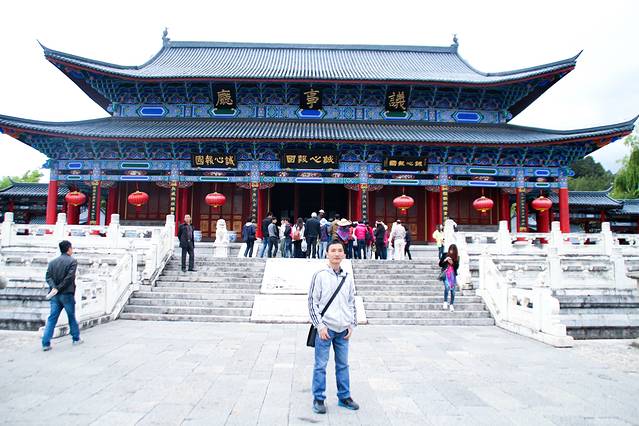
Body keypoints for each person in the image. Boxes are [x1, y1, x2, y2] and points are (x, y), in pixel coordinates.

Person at [308, 240, 359, 414]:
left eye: (339, 250)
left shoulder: (348, 277)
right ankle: (319, 398)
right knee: (321, 365)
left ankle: (344, 396)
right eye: (333, 250)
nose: (336, 254)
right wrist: (320, 326)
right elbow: (312, 302)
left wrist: (352, 324)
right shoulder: (320, 275)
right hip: (326, 328)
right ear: (327, 253)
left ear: (344, 254)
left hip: (343, 329)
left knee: (343, 365)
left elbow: (351, 301)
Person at [42, 240, 82, 351]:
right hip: (67, 294)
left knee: (52, 318)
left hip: (55, 295)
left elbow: (48, 277)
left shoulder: (52, 262)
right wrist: (59, 288)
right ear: (68, 249)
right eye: (71, 248)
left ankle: (45, 343)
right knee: (71, 317)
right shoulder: (72, 261)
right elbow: (69, 278)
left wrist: (54, 287)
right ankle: (76, 338)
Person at [439, 244, 459, 312]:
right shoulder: (445, 254)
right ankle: (445, 302)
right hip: (446, 274)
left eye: (453, 250)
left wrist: (452, 263)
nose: (451, 251)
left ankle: (451, 304)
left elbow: (456, 267)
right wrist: (445, 260)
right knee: (447, 287)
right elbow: (440, 264)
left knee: (453, 290)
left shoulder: (456, 257)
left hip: (452, 275)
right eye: (450, 250)